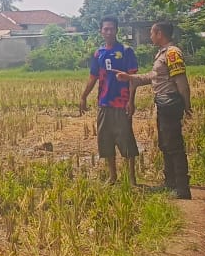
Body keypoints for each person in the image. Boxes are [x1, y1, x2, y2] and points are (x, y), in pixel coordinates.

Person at [115, 21, 192, 199]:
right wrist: (131, 77)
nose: (150, 36)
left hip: (170, 103)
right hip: (164, 103)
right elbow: (154, 76)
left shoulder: (172, 53)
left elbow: (181, 81)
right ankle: (170, 183)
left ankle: (182, 189)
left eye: (151, 33)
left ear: (159, 33)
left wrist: (186, 104)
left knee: (173, 145)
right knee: (165, 144)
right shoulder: (162, 54)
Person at [79, 17, 140, 186]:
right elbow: (93, 77)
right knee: (106, 141)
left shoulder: (126, 51)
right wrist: (84, 96)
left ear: (116, 30)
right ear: (101, 31)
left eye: (111, 29)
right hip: (104, 103)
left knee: (126, 140)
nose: (108, 32)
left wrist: (131, 101)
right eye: (105, 29)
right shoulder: (99, 53)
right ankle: (113, 177)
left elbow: (132, 78)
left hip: (121, 104)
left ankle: (132, 179)